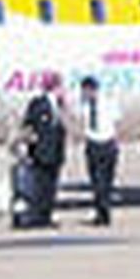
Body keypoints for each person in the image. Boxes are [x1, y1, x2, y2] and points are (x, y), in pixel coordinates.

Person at [14, 74, 67, 229]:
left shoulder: (59, 106)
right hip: (41, 152)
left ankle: (46, 215)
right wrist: (28, 142)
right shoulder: (38, 104)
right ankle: (35, 216)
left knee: (51, 187)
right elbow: (28, 124)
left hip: (55, 153)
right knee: (39, 186)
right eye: (60, 87)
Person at [78, 75, 122, 226]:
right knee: (97, 182)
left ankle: (104, 212)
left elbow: (116, 120)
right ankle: (102, 213)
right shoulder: (84, 105)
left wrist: (114, 141)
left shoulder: (108, 102)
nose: (84, 94)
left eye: (85, 90)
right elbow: (82, 123)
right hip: (93, 144)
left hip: (108, 143)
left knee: (106, 182)